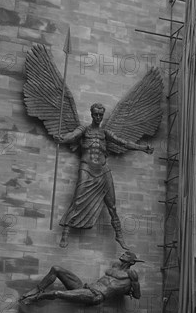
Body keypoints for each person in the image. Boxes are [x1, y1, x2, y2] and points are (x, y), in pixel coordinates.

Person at [56, 102, 154, 249]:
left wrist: (142, 148)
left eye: (100, 115)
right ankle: (65, 233)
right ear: (91, 114)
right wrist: (63, 139)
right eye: (95, 114)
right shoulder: (84, 129)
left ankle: (119, 236)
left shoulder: (105, 133)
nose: (98, 117)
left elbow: (123, 143)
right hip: (86, 167)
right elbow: (72, 136)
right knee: (77, 199)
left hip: (103, 169)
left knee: (112, 205)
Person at [20, 250, 143, 305]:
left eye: (126, 254)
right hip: (86, 287)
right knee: (56, 268)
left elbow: (137, 295)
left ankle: (35, 298)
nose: (123, 254)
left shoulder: (132, 275)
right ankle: (38, 289)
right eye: (123, 252)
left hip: (96, 295)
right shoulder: (115, 266)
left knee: (57, 293)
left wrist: (125, 290)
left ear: (132, 261)